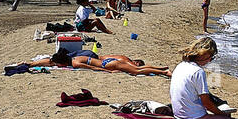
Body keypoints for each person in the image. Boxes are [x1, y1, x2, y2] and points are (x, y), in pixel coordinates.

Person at [43, 48, 171, 76]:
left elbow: (94, 68)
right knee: (135, 68)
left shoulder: (75, 64)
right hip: (108, 61)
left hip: (109, 64)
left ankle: (164, 72)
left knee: (137, 71)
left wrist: (110, 71)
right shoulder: (76, 58)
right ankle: (160, 68)